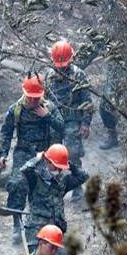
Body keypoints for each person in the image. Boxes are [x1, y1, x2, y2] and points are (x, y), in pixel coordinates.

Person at [13, 144, 88, 255]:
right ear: (48, 162)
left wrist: (69, 164)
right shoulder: (35, 177)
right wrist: (38, 157)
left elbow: (83, 176)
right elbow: (24, 170)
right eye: (56, 166)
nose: (59, 170)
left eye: (61, 168)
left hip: (56, 234)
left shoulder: (62, 182)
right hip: (37, 233)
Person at [0, 74, 64, 244]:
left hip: (44, 155)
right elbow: (6, 132)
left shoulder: (49, 108)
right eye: (30, 97)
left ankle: (43, 227)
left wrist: (46, 116)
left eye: (36, 97)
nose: (33, 101)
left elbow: (62, 128)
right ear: (25, 94)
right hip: (23, 153)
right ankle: (16, 225)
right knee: (17, 184)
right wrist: (3, 154)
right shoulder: (16, 109)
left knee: (43, 190)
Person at [45, 39, 93, 202]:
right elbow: (44, 99)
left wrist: (86, 123)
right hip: (54, 120)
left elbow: (87, 100)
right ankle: (55, 186)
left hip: (73, 120)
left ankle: (76, 186)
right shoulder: (49, 75)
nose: (62, 67)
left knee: (72, 153)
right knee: (53, 155)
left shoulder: (79, 75)